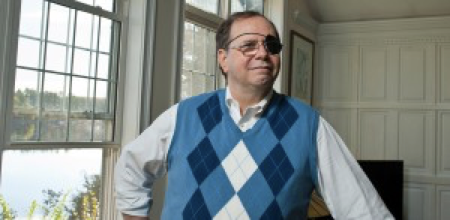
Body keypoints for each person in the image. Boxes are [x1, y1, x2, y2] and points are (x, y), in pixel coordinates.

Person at [114, 11, 394, 220]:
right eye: (248, 45)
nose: (263, 53)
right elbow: (131, 168)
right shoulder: (182, 116)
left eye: (272, 46)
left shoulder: (309, 125)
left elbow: (365, 210)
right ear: (223, 58)